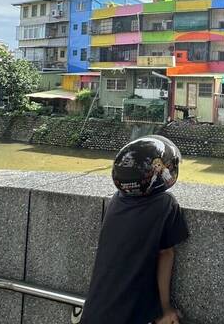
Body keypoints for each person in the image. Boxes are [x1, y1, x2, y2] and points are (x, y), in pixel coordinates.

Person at [81, 135, 189, 324]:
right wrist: (166, 309)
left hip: (95, 310)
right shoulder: (165, 204)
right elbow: (166, 254)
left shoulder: (116, 200)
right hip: (129, 315)